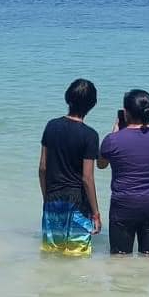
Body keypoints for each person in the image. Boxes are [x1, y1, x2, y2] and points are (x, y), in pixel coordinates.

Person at [98, 89, 149, 255]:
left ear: (125, 113)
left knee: (120, 257)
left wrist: (115, 134)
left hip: (124, 204)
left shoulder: (112, 140)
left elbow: (101, 164)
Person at [39, 79, 102, 256]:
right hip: (78, 203)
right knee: (78, 255)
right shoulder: (90, 135)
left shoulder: (51, 126)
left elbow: (43, 168)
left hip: (53, 198)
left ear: (68, 98)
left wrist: (47, 197)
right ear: (92, 105)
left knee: (51, 253)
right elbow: (87, 178)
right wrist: (96, 213)